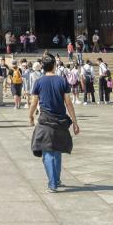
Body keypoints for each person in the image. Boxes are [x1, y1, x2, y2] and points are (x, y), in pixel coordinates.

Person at [29, 53, 81, 193]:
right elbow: (68, 103)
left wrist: (30, 116)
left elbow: (34, 102)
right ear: (54, 66)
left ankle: (53, 183)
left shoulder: (39, 82)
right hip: (60, 121)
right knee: (57, 151)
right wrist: (75, 122)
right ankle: (56, 180)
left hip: (45, 120)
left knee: (47, 152)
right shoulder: (61, 81)